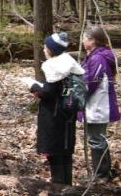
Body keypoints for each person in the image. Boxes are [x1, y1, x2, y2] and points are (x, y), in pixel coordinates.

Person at [27, 31, 82, 185]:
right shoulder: (68, 62)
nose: (44, 49)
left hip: (55, 114)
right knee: (65, 149)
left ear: (52, 49)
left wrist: (33, 87)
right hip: (67, 113)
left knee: (55, 149)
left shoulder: (54, 66)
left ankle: (59, 184)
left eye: (46, 47)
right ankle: (66, 182)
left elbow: (49, 92)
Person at [80, 26, 120, 180]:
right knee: (98, 138)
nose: (83, 41)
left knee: (96, 139)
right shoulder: (96, 56)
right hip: (97, 103)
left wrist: (76, 94)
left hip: (98, 104)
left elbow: (90, 83)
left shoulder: (98, 58)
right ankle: (103, 171)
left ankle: (101, 174)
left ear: (93, 40)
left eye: (85, 38)